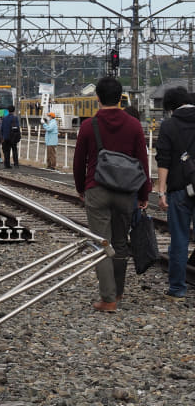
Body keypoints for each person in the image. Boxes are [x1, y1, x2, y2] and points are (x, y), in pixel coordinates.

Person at [73, 76, 152, 312]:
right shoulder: (134, 125)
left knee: (101, 244)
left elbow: (79, 162)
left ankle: (107, 299)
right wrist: (144, 193)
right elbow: (143, 162)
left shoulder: (89, 126)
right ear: (120, 97)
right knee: (120, 243)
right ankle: (118, 292)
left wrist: (80, 188)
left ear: (97, 98)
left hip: (97, 189)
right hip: (126, 192)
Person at [155, 86, 195, 302]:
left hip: (179, 189)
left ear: (170, 107)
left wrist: (161, 191)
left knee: (179, 240)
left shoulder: (169, 125)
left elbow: (163, 160)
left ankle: (177, 289)